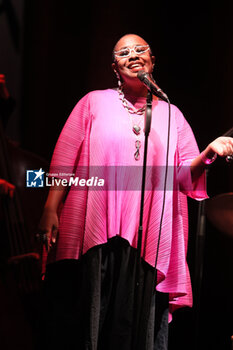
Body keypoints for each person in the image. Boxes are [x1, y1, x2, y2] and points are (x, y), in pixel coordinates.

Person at [38, 34, 233, 350]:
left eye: (140, 49)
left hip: (148, 238)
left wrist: (208, 153)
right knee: (89, 319)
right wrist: (50, 208)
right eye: (123, 52)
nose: (132, 54)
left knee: (135, 326)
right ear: (115, 67)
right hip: (96, 228)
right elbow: (64, 160)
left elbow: (184, 177)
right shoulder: (92, 103)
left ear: (152, 60)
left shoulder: (172, 114)